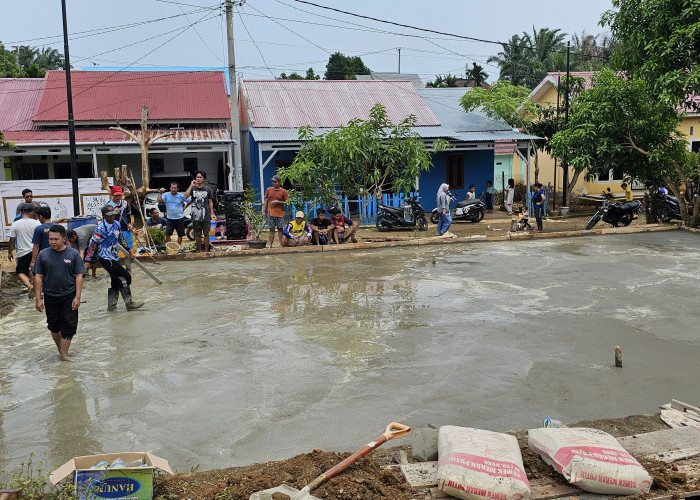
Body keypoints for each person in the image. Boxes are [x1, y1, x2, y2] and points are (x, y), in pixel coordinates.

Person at [33, 225, 86, 361]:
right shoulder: (43, 254)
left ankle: (64, 355)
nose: (53, 242)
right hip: (50, 296)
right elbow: (38, 277)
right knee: (54, 326)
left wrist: (78, 297)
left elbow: (79, 276)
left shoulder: (73, 254)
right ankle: (61, 349)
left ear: (64, 239)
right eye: (50, 239)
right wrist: (38, 299)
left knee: (69, 326)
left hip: (69, 295)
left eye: (56, 239)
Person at [86, 204, 144, 311]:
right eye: (109, 215)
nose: (112, 216)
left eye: (113, 214)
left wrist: (130, 251)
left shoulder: (116, 224)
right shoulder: (101, 229)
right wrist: (88, 260)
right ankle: (129, 303)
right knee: (126, 277)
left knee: (115, 280)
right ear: (104, 216)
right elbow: (92, 244)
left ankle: (112, 306)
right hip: (105, 258)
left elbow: (121, 238)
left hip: (114, 256)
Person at [8, 203, 40, 298]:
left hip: (23, 252)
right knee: (35, 271)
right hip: (35, 251)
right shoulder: (37, 223)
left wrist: (10, 252)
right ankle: (38, 291)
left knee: (20, 272)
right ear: (31, 212)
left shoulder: (15, 224)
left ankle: (30, 286)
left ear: (21, 212)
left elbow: (12, 241)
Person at [184, 170, 216, 253]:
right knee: (197, 233)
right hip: (195, 215)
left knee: (206, 233)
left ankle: (206, 251)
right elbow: (185, 196)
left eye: (200, 177)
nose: (198, 179)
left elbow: (210, 202)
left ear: (204, 179)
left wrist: (212, 213)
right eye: (197, 177)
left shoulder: (207, 189)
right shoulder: (193, 188)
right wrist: (191, 186)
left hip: (206, 215)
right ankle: (199, 251)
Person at [158, 181, 191, 246]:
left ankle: (178, 247)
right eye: (172, 188)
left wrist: (184, 208)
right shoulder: (166, 194)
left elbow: (189, 201)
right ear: (170, 188)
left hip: (180, 218)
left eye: (175, 188)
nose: (173, 189)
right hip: (169, 218)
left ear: (177, 189)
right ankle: (168, 247)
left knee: (180, 234)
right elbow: (159, 200)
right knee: (167, 234)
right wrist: (160, 193)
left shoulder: (181, 195)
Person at [263, 174, 289, 248]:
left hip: (280, 213)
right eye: (273, 182)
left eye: (275, 182)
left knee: (280, 229)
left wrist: (278, 202)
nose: (274, 183)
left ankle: (281, 244)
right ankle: (270, 245)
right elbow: (266, 201)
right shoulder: (269, 190)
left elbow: (287, 202)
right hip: (271, 213)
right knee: (271, 230)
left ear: (279, 182)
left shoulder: (283, 191)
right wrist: (263, 211)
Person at [107, 186, 134, 251]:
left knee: (129, 249)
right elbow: (106, 219)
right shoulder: (108, 205)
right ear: (112, 195)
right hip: (114, 231)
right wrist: (113, 212)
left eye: (119, 195)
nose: (118, 197)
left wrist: (130, 224)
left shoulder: (125, 203)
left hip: (125, 229)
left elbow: (128, 215)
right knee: (115, 250)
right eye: (116, 196)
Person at [29, 204, 53, 272]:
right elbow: (66, 243)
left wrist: (33, 261)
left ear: (41, 217)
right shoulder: (59, 227)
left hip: (44, 257)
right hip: (58, 256)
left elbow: (36, 246)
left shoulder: (39, 229)